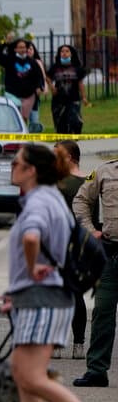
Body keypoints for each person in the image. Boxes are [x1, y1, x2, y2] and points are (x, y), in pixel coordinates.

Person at [2, 144, 111, 402]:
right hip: (41, 296)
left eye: (17, 162)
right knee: (24, 377)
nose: (12, 165)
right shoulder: (48, 197)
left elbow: (31, 237)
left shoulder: (38, 201)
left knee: (31, 377)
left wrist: (31, 269)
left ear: (32, 171)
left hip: (43, 298)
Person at [72, 154, 118, 387]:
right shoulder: (104, 171)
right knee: (102, 312)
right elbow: (81, 200)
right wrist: (91, 231)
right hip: (111, 254)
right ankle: (97, 370)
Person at [54, 140, 89, 360]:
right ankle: (76, 344)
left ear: (69, 158)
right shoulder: (89, 182)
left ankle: (60, 344)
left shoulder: (61, 184)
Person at [0, 35, 44, 127]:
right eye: (20, 47)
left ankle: (23, 133)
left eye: (24, 47)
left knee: (23, 119)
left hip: (28, 95)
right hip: (12, 94)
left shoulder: (32, 62)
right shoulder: (10, 60)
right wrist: (5, 43)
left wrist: (39, 87)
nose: (22, 49)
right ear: (15, 49)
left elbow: (38, 76)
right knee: (14, 117)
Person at [47, 44, 89, 134]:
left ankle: (75, 137)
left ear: (71, 54)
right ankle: (62, 140)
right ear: (59, 54)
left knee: (75, 121)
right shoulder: (55, 67)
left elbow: (80, 83)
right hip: (58, 100)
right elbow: (48, 77)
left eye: (67, 51)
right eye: (62, 51)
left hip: (73, 99)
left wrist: (84, 97)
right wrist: (52, 87)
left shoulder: (77, 68)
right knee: (60, 123)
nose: (64, 53)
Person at [27, 42, 48, 132]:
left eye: (30, 49)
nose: (28, 51)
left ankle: (36, 129)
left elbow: (43, 76)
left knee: (34, 118)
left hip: (34, 95)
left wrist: (43, 87)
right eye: (27, 49)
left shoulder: (37, 62)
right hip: (22, 94)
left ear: (34, 51)